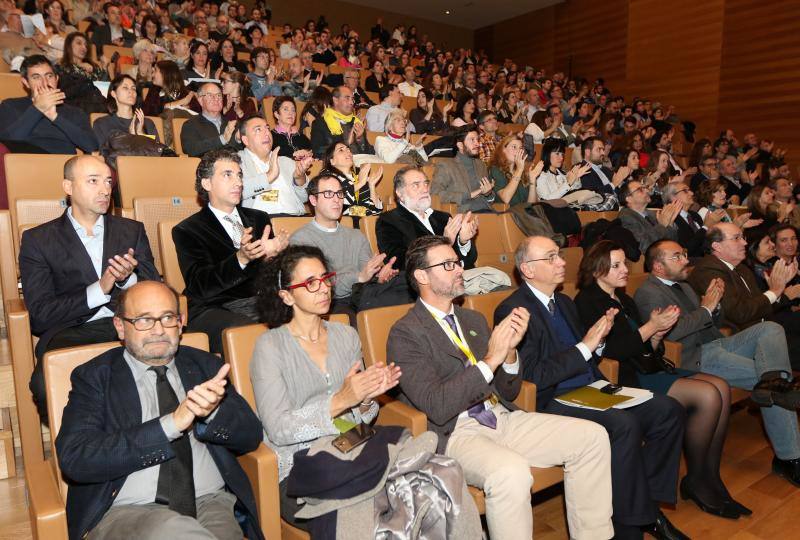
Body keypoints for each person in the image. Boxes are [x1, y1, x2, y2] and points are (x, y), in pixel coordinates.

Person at [388, 235, 614, 540]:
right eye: (448, 264)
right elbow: (437, 405)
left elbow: (507, 392)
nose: (459, 270)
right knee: (511, 473)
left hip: (502, 416)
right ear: (421, 276)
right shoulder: (405, 333)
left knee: (592, 437)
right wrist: (491, 359)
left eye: (458, 262)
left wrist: (509, 356)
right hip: (456, 431)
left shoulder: (473, 319)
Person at [250, 245, 477, 534]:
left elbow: (362, 417)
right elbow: (279, 429)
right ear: (286, 295)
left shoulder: (345, 335)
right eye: (310, 283)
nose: (324, 289)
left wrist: (367, 398)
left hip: (356, 445)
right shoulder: (269, 347)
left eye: (326, 278)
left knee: (444, 475)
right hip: (301, 466)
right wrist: (342, 400)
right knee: (391, 507)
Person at [495, 235, 688, 540]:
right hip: (553, 398)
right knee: (623, 425)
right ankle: (631, 526)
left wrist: (597, 343)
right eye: (551, 258)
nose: (562, 262)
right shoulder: (514, 310)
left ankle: (645, 506)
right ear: (528, 269)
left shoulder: (565, 302)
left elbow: (587, 355)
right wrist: (586, 347)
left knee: (668, 409)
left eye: (559, 255)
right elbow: (532, 375)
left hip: (591, 386)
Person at [56, 281, 265, 540]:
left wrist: (212, 413)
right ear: (120, 326)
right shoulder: (96, 378)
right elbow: (76, 458)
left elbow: (251, 435)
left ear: (181, 322)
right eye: (144, 320)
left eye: (167, 317)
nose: (158, 330)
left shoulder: (204, 366)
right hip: (127, 512)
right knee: (175, 531)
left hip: (210, 505)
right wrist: (170, 425)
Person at [575, 241, 746, 518]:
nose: (624, 269)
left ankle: (708, 478)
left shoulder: (624, 298)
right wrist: (650, 328)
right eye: (615, 265)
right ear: (597, 270)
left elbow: (646, 349)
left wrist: (655, 336)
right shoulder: (587, 301)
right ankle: (697, 481)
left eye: (624, 263)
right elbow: (612, 353)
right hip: (628, 378)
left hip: (649, 367)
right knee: (708, 395)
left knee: (721, 387)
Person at [636, 239, 800, 487]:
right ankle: (791, 458)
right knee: (776, 386)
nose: (685, 260)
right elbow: (670, 333)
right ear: (658, 267)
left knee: (771, 329)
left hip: (716, 343)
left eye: (684, 254)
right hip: (694, 356)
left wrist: (716, 306)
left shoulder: (685, 286)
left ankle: (773, 381)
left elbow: (709, 321)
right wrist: (706, 308)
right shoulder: (648, 292)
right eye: (677, 257)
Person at [19, 155, 158, 420]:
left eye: (108, 182)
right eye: (93, 181)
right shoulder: (38, 240)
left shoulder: (132, 230)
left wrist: (126, 279)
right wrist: (101, 288)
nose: (105, 189)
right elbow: (41, 314)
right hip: (72, 329)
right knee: (43, 386)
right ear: (68, 187)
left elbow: (154, 287)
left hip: (130, 323)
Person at [172, 149, 289, 353]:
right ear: (206, 183)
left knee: (306, 314)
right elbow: (200, 285)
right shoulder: (188, 230)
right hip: (217, 306)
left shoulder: (259, 218)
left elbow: (271, 277)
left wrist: (273, 258)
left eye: (239, 175)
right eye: (227, 175)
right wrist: (241, 258)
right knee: (253, 333)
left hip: (258, 300)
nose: (238, 182)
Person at [290, 174, 399, 309]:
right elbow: (319, 285)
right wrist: (359, 277)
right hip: (330, 303)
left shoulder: (356, 236)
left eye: (340, 193)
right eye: (329, 194)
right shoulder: (301, 240)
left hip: (363, 296)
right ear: (313, 200)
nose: (337, 199)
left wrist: (379, 276)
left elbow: (366, 273)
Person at [377, 167, 477, 271]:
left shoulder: (443, 218)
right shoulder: (388, 221)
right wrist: (443, 244)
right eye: (416, 185)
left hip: (463, 277)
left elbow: (469, 262)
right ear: (400, 193)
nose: (425, 189)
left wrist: (463, 242)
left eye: (426, 184)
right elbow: (398, 264)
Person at [0, 55, 97, 154]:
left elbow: (92, 146)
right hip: (26, 163)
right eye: (36, 77)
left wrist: (55, 117)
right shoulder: (10, 106)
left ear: (56, 79)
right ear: (26, 83)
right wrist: (37, 109)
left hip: (65, 165)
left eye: (49, 76)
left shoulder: (75, 112)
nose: (45, 82)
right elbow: (6, 142)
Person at [238, 116, 312, 216]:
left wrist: (299, 179)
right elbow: (234, 191)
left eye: (267, 128)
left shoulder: (285, 161)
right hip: (263, 222)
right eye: (258, 129)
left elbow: (305, 198)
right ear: (246, 140)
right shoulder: (236, 162)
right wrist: (269, 176)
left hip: (295, 218)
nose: (267, 133)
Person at [432, 129, 495, 213]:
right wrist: (469, 195)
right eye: (472, 140)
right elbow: (435, 193)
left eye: (477, 139)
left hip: (487, 210)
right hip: (465, 213)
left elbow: (490, 198)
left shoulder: (481, 165)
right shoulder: (446, 166)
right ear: (460, 145)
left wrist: (488, 193)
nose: (477, 143)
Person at [93, 74, 160, 147]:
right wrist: (132, 139)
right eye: (125, 88)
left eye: (133, 88)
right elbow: (104, 154)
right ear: (113, 94)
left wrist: (141, 135)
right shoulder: (102, 124)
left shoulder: (147, 123)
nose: (131, 91)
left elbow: (158, 154)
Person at [662, 182, 725, 260]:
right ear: (672, 197)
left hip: (706, 259)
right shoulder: (670, 219)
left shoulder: (694, 215)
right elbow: (686, 251)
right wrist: (705, 227)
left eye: (690, 190)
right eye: (685, 191)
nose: (691, 193)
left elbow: (705, 244)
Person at [320, 142, 384, 217]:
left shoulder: (358, 176)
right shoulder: (326, 177)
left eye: (348, 149)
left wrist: (371, 186)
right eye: (341, 150)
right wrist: (360, 183)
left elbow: (376, 211)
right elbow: (339, 207)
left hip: (364, 224)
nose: (348, 152)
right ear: (332, 161)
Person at [56, 31, 113, 114]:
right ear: (69, 46)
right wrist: (82, 71)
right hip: (76, 111)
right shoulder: (62, 68)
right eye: (79, 43)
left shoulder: (94, 68)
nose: (84, 48)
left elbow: (106, 92)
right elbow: (66, 93)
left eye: (85, 45)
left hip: (99, 109)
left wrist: (104, 68)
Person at [310, 85, 374, 159]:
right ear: (335, 100)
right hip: (337, 167)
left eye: (352, 99)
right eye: (347, 98)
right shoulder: (320, 123)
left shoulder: (356, 122)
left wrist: (360, 139)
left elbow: (370, 153)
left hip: (360, 164)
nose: (351, 102)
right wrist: (345, 144)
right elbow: (317, 153)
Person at [617, 180, 680, 253]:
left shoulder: (652, 214)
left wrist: (670, 224)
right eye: (640, 189)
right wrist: (662, 225)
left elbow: (674, 241)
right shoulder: (626, 218)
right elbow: (643, 246)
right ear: (629, 199)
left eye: (645, 187)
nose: (647, 191)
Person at [180, 81, 237, 157]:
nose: (216, 99)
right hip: (206, 167)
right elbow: (190, 149)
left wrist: (238, 140)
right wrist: (222, 139)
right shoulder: (190, 125)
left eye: (219, 95)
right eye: (210, 95)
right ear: (200, 101)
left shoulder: (231, 124)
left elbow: (242, 150)